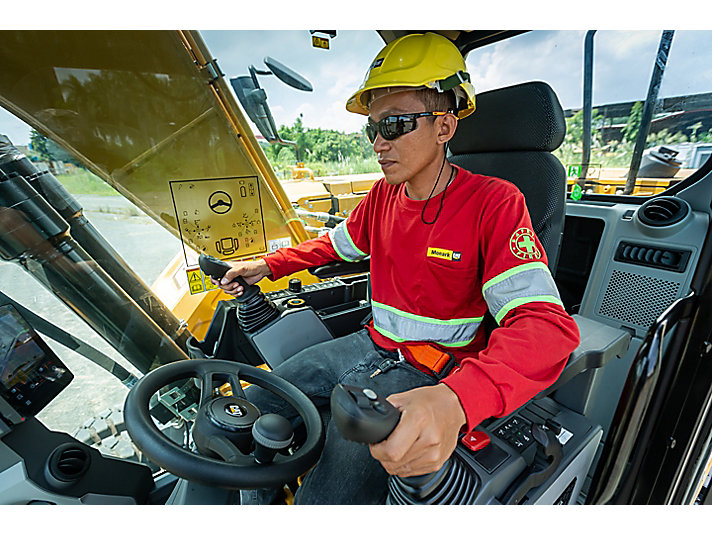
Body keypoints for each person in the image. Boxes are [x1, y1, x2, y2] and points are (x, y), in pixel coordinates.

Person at [216, 32, 580, 504]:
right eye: (373, 129)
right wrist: (267, 265)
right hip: (368, 344)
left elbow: (546, 327)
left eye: (395, 125)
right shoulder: (382, 196)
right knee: (258, 402)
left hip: (430, 371)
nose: (378, 144)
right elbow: (336, 245)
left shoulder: (494, 203)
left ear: (444, 127)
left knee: (331, 489)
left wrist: (458, 399)